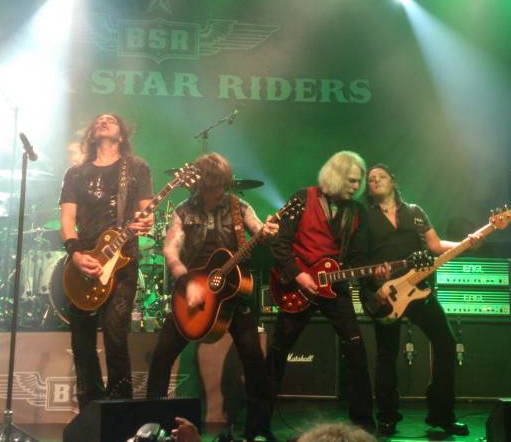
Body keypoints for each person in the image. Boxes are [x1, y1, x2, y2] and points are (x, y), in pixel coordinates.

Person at [146, 152, 279, 442]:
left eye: (222, 184)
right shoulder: (183, 211)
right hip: (193, 292)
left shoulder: (239, 207)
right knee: (162, 356)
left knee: (254, 359)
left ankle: (258, 429)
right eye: (212, 184)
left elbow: (259, 230)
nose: (218, 190)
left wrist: (267, 231)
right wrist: (185, 282)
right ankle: (151, 426)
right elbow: (170, 250)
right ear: (200, 184)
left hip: (233, 295)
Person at [363, 164, 475, 436]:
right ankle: (387, 417)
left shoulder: (414, 212)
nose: (375, 180)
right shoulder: (364, 218)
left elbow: (435, 246)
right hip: (386, 294)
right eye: (371, 179)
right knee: (386, 354)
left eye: (381, 176)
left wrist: (468, 242)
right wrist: (373, 279)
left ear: (393, 181)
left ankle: (441, 415)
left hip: (419, 290)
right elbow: (359, 256)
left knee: (446, 343)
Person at [267, 151, 376, 431]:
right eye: (351, 180)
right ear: (336, 176)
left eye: (359, 181)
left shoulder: (358, 212)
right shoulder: (303, 198)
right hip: (297, 287)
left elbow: (359, 258)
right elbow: (279, 243)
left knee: (357, 352)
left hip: (335, 289)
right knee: (277, 353)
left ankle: (364, 426)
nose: (357, 186)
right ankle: (258, 426)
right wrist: (298, 275)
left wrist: (375, 273)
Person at [59, 113, 154, 410]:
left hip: (122, 261)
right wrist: (76, 254)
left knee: (115, 336)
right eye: (99, 119)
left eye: (110, 119)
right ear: (91, 134)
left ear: (121, 135)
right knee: (81, 342)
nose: (103, 120)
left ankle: (119, 409)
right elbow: (67, 219)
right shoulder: (75, 173)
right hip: (84, 260)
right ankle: (89, 409)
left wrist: (146, 220)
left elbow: (146, 212)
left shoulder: (136, 168)